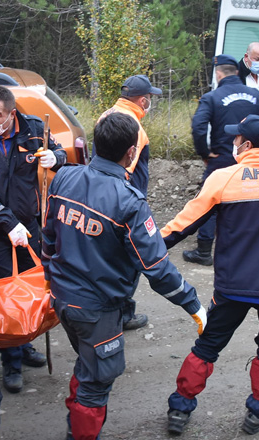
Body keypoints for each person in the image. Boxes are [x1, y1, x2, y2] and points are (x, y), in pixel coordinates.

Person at [41, 112, 207, 440]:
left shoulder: (64, 178)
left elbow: (47, 236)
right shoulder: (129, 201)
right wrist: (193, 304)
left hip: (63, 299)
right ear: (131, 153)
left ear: (94, 144)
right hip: (97, 310)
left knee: (89, 367)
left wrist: (51, 277)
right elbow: (156, 267)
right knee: (97, 382)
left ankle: (76, 425)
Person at [160, 115, 259, 436]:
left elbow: (181, 225)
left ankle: (180, 408)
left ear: (246, 145)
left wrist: (146, 247)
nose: (233, 143)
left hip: (233, 287)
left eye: (236, 139)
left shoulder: (223, 178)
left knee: (206, 347)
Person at [0, 85, 63, 394]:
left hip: (30, 225)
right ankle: (10, 359)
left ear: (11, 113)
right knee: (7, 295)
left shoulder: (35, 129)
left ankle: (26, 345)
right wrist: (7, 222)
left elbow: (59, 150)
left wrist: (55, 157)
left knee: (33, 285)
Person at [182, 54, 259, 267]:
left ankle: (203, 250)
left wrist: (205, 153)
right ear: (237, 72)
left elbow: (199, 127)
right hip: (250, 157)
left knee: (210, 201)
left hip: (221, 158)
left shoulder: (212, 97)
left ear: (219, 73)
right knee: (252, 199)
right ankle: (251, 247)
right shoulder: (255, 95)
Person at [96, 74, 163, 332]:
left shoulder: (107, 114)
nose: (150, 103)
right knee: (129, 257)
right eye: (150, 99)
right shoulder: (134, 126)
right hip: (124, 202)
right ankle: (123, 313)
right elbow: (125, 169)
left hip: (99, 195)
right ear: (143, 100)